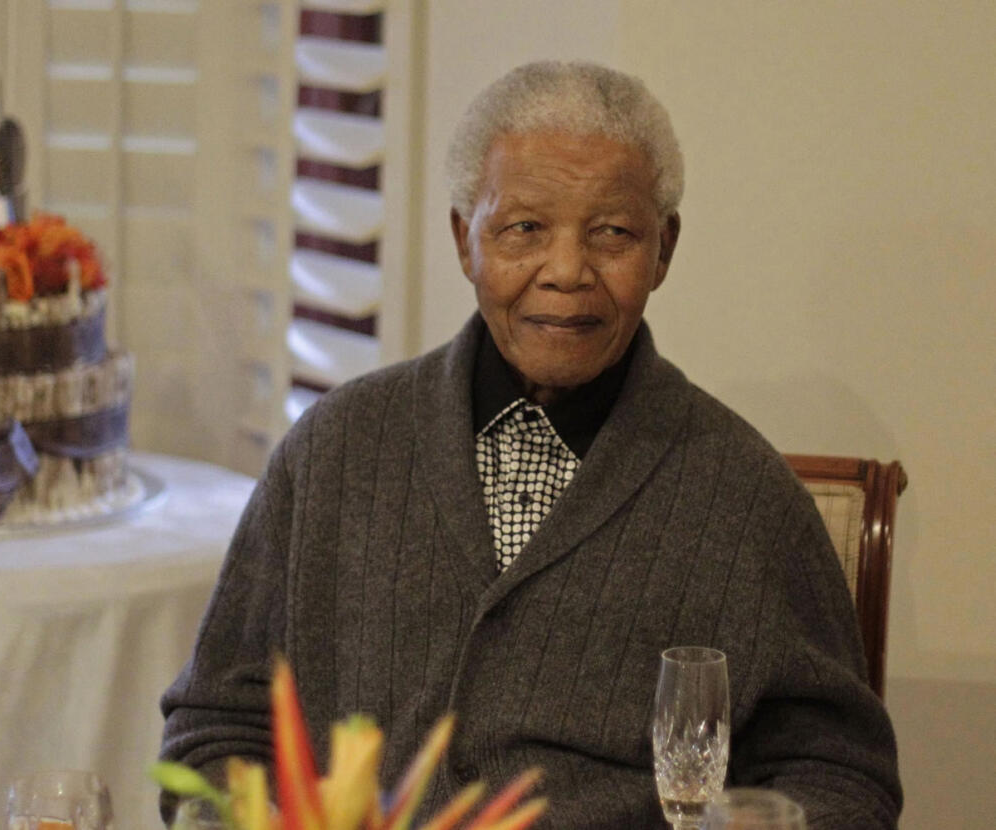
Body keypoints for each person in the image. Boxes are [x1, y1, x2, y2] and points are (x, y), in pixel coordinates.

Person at [159, 61, 902, 829]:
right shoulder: (335, 449)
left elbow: (841, 777)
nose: (567, 272)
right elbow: (218, 725)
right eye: (525, 229)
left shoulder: (743, 494)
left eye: (613, 233)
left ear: (664, 249)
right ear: (464, 238)